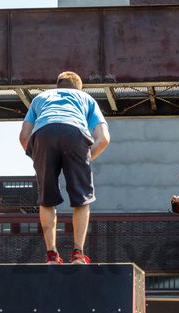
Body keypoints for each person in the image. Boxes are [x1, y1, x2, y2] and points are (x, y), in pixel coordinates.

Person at [18, 71, 110, 264]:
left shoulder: (40, 98)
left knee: (46, 201)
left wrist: (38, 160)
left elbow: (24, 137)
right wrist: (85, 159)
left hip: (42, 134)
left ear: (58, 85)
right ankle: (77, 254)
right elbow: (103, 139)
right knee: (82, 199)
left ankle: (51, 255)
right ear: (78, 87)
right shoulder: (86, 98)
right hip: (75, 133)